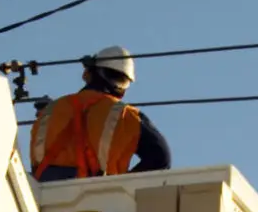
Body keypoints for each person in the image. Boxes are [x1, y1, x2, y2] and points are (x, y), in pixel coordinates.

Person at [29, 45, 171, 182]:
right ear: (123, 88)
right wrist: (124, 183)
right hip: (96, 198)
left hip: (42, 196)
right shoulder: (126, 115)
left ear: (87, 74)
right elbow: (161, 159)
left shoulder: (48, 111)